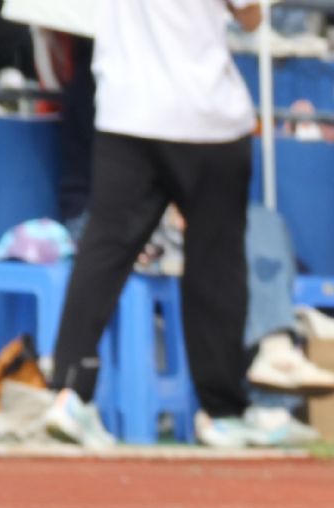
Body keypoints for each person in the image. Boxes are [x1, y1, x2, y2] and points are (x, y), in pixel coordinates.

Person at [40, 0, 261, 449]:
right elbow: (251, 15)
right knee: (216, 266)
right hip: (206, 117)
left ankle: (70, 393)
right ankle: (221, 412)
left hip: (127, 111)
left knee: (103, 253)